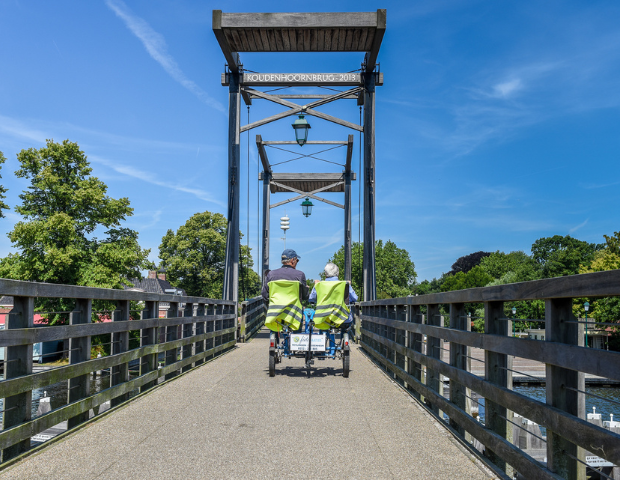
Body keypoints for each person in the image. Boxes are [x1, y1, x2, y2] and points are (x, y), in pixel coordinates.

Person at [262, 249, 309, 332]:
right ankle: (295, 338)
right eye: (297, 260)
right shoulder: (300, 275)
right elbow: (305, 297)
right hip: (293, 314)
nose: (297, 262)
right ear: (292, 260)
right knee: (297, 329)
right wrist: (306, 289)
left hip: (275, 313)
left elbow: (264, 295)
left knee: (274, 323)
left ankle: (273, 338)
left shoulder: (271, 274)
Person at [309, 262, 358, 330]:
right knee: (345, 326)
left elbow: (311, 299)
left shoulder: (319, 285)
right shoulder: (344, 284)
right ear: (338, 273)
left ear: (325, 274)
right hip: (342, 319)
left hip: (324, 319)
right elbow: (354, 298)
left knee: (324, 326)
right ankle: (344, 335)